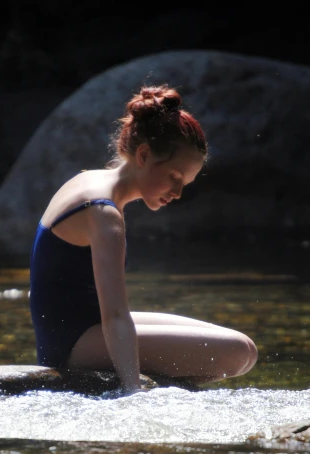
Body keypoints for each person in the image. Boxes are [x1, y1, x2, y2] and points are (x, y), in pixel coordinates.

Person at [30, 84, 257, 395]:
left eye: (185, 184)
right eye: (175, 177)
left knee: (244, 348)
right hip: (72, 345)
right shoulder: (103, 211)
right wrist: (131, 390)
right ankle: (154, 389)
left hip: (83, 329)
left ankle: (166, 388)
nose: (177, 193)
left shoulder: (90, 180)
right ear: (144, 154)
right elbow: (115, 315)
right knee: (238, 353)